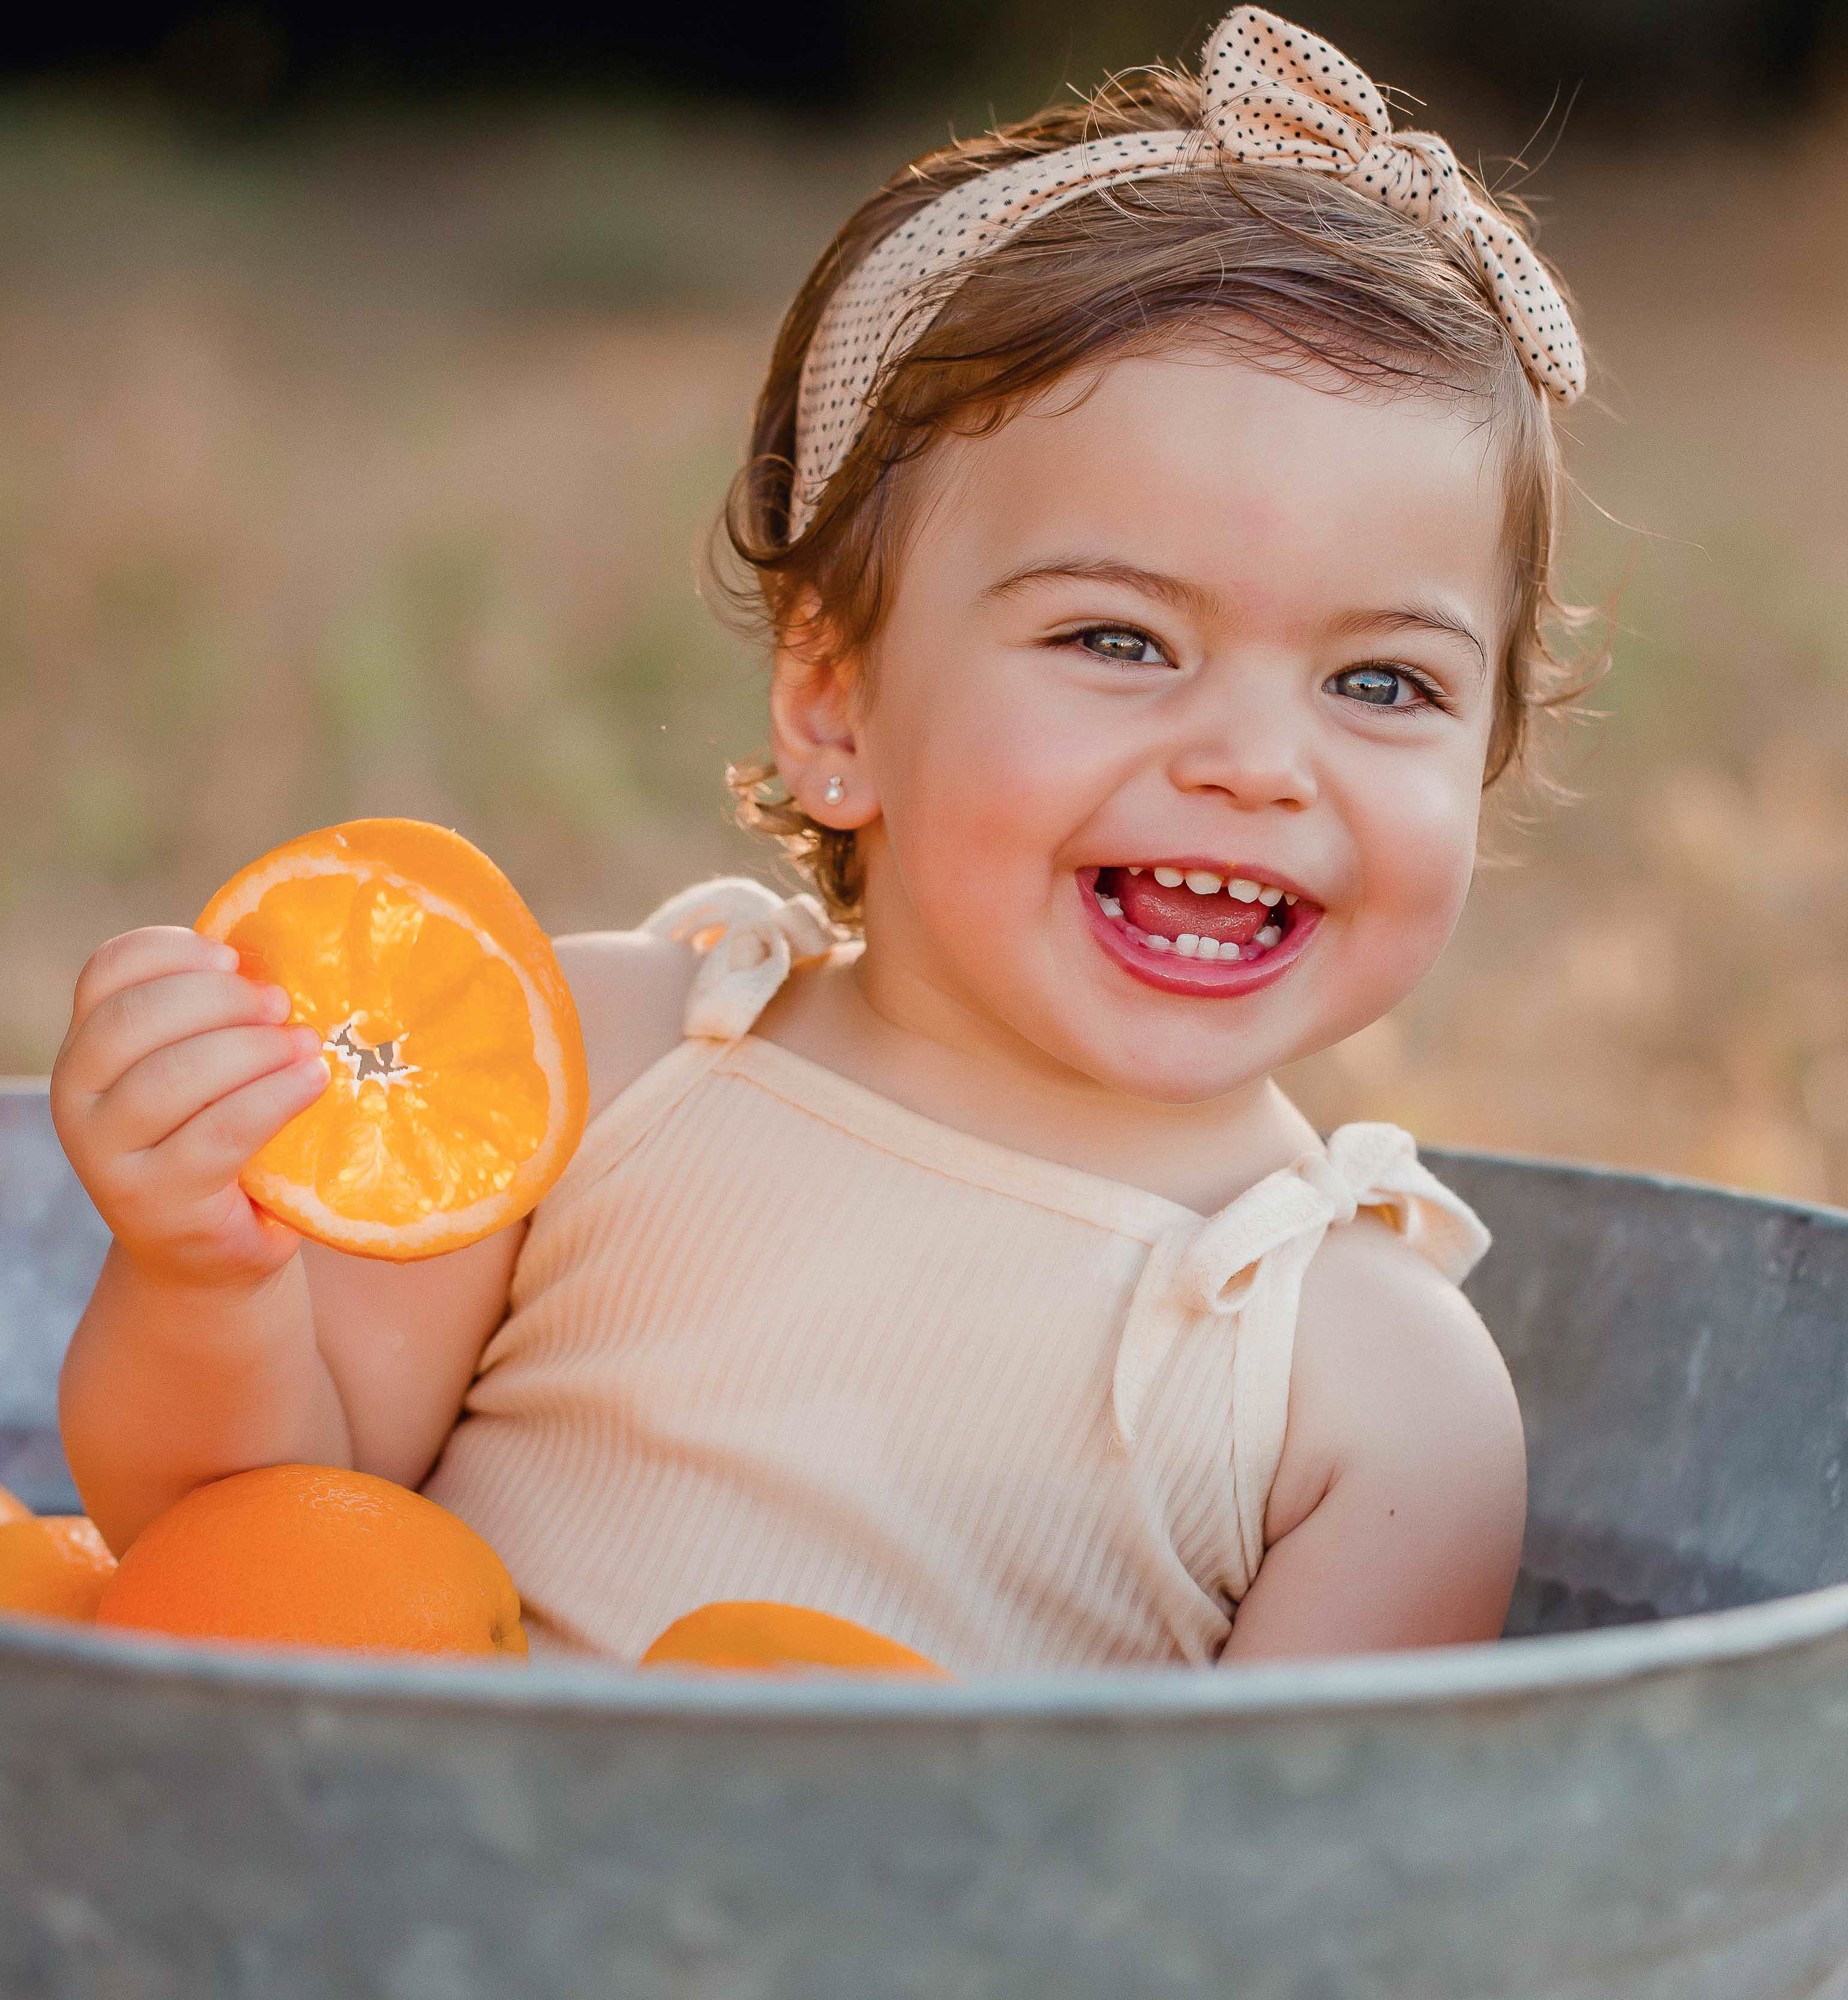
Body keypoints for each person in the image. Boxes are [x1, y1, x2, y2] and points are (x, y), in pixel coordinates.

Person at [52, 7, 1587, 1668]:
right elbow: (238, 1550)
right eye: (1120, 641)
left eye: (1383, 679)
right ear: (837, 712)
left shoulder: (1380, 1392)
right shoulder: (611, 1067)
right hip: (392, 1887)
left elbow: (1279, 1906)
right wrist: (203, 1273)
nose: (1254, 763)